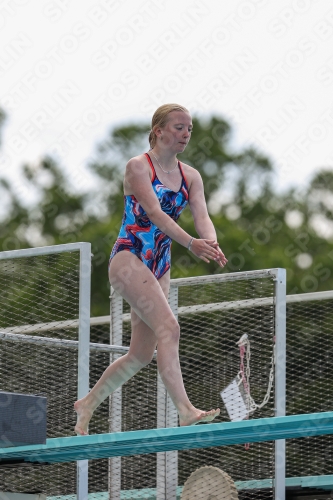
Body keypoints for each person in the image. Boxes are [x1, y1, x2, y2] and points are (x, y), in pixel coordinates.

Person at [74, 103, 228, 435]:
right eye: (178, 127)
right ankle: (185, 411)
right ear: (158, 130)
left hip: (159, 264)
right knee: (169, 329)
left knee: (141, 354)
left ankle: (88, 402)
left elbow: (202, 215)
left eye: (189, 128)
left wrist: (210, 242)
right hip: (129, 258)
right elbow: (156, 214)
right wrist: (191, 244)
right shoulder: (138, 167)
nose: (186, 133)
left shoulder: (192, 176)